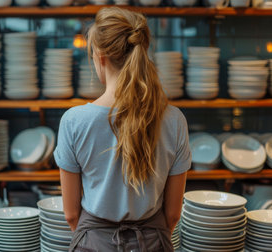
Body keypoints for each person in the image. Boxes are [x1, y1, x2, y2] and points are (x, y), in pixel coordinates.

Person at [54, 7, 191, 252]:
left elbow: (71, 215)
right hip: (151, 243)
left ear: (100, 56)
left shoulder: (74, 121)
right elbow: (172, 215)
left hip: (94, 245)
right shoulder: (174, 120)